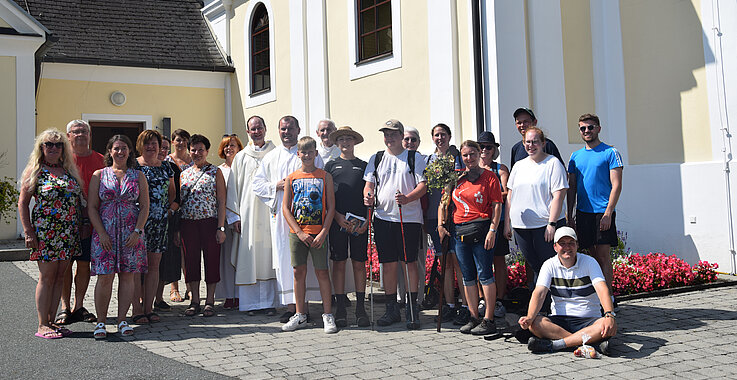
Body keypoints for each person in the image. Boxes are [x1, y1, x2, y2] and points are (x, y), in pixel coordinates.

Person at [253, 116, 325, 323]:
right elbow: (257, 185)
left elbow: (321, 178)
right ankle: (291, 306)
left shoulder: (308, 153)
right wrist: (275, 185)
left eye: (290, 129)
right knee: (286, 260)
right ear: (278, 130)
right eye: (283, 129)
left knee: (308, 263)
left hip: (309, 216)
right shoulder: (271, 157)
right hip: (283, 220)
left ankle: (307, 306)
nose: (287, 132)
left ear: (298, 130)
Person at [18, 129, 84, 339]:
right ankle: (42, 324)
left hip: (67, 233)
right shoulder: (35, 171)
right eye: (49, 144)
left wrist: (82, 224)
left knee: (59, 277)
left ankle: (52, 321)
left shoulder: (69, 171)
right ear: (41, 148)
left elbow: (77, 201)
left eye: (58, 145)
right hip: (45, 233)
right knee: (46, 277)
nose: (54, 148)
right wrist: (28, 232)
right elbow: (23, 203)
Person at [363, 119, 427, 330]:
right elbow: (369, 184)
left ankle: (411, 307)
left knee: (408, 263)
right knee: (388, 263)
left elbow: (423, 186)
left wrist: (408, 198)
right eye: (386, 134)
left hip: (407, 219)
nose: (389, 138)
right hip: (383, 218)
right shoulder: (377, 158)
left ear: (401, 136)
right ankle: (392, 309)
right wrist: (368, 197)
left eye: (392, 134)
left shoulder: (413, 157)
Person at [519, 227, 617, 354]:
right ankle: (589, 343)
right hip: (560, 320)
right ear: (555, 247)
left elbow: (602, 289)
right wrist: (529, 317)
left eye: (571, 243)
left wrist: (609, 314)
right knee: (535, 324)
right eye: (562, 243)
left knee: (604, 324)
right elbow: (539, 293)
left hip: (589, 319)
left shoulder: (590, 262)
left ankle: (556, 344)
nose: (567, 247)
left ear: (577, 245)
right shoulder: (549, 265)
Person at [88, 135, 150, 339]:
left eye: (124, 148)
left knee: (127, 276)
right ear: (109, 151)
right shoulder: (99, 174)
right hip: (104, 236)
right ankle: (101, 322)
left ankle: (122, 320)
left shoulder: (138, 176)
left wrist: (137, 231)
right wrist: (102, 233)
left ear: (130, 151)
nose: (120, 152)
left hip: (130, 236)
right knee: (105, 278)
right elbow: (92, 208)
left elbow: (145, 207)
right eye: (116, 148)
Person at [439, 140, 502, 335]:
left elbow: (497, 205)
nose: (469, 158)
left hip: (482, 229)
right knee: (467, 276)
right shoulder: (456, 178)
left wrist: (493, 230)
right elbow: (444, 201)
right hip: (459, 231)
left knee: (485, 274)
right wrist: (441, 224)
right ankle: (474, 317)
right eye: (465, 155)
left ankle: (488, 319)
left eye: (473, 154)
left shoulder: (490, 177)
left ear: (479, 154)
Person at [281, 136, 337, 333]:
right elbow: (286, 208)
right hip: (298, 234)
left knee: (322, 272)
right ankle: (300, 314)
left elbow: (331, 207)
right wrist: (298, 232)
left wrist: (323, 232)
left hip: (319, 233)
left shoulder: (324, 177)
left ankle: (328, 314)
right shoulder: (291, 178)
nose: (306, 155)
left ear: (316, 153)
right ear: (298, 154)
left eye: (310, 152)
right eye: (303, 152)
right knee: (298, 272)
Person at [567, 113, 624, 299]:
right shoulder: (575, 157)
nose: (586, 131)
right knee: (590, 258)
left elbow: (616, 185)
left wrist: (608, 213)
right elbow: (572, 187)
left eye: (590, 127)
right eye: (582, 128)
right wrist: (569, 214)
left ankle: (608, 297)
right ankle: (594, 295)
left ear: (598, 128)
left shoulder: (610, 152)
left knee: (603, 256)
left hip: (602, 213)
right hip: (583, 214)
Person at [227, 116, 279, 315]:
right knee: (250, 258)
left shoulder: (275, 154)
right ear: (247, 132)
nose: (256, 132)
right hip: (248, 217)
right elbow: (233, 188)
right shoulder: (241, 157)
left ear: (265, 129)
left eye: (259, 128)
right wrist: (235, 217)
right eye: (252, 129)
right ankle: (251, 305)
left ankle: (270, 303)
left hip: (270, 215)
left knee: (269, 257)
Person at [55, 120, 104, 326]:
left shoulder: (101, 159)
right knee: (65, 267)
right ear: (68, 136)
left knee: (84, 266)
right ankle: (65, 308)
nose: (81, 134)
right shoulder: (61, 160)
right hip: (66, 223)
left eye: (84, 131)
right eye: (76, 132)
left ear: (90, 135)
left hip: (92, 223)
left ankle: (79, 306)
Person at [505, 127, 568, 279]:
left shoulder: (553, 163)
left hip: (544, 226)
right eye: (527, 142)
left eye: (535, 142)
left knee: (549, 266)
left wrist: (552, 224)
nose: (531, 145)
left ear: (543, 143)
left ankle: (552, 301)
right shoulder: (519, 165)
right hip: (521, 227)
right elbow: (510, 195)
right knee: (534, 266)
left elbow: (558, 195)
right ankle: (540, 301)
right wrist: (507, 223)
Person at [425, 123, 469, 325]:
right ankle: (449, 305)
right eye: (436, 135)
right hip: (435, 216)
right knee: (445, 263)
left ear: (450, 136)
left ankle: (466, 305)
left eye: (443, 134)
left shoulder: (458, 158)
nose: (440, 138)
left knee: (458, 261)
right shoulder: (429, 160)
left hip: (455, 215)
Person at [325, 126, 370, 327]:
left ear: (354, 142)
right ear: (336, 143)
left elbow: (369, 196)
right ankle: (341, 306)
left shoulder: (364, 165)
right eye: (341, 139)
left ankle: (361, 307)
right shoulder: (331, 165)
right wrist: (336, 217)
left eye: (349, 139)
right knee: (339, 263)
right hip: (337, 223)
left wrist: (367, 220)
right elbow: (327, 197)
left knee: (359, 264)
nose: (345, 142)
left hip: (359, 224)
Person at [179, 134, 227, 317]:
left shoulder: (216, 172)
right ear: (189, 151)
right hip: (188, 223)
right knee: (191, 262)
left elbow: (222, 201)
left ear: (207, 151)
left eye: (201, 149)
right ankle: (195, 300)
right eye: (193, 149)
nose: (197, 153)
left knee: (211, 260)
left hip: (209, 222)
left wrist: (220, 228)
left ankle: (210, 301)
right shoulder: (184, 173)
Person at [131, 130, 175, 324]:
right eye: (146, 143)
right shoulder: (133, 166)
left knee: (153, 265)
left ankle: (149, 308)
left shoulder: (167, 167)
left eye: (154, 143)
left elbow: (173, 194)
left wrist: (164, 211)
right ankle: (136, 308)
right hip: (137, 223)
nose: (151, 147)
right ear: (140, 145)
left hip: (159, 223)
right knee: (135, 267)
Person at [477, 131, 510, 318]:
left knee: (498, 260)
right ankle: (483, 298)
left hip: (497, 221)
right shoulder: (471, 168)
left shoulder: (500, 169)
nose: (484, 150)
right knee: (480, 262)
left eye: (488, 147)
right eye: (481, 146)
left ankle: (499, 298)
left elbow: (506, 192)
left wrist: (491, 197)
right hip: (478, 222)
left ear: (494, 149)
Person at [397, 126, 427, 307]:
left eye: (413, 140)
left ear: (419, 143)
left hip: (417, 219)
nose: (409, 143)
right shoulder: (396, 160)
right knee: (399, 261)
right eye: (406, 139)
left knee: (416, 261)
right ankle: (401, 297)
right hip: (397, 218)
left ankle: (418, 298)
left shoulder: (421, 161)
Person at [215, 134, 244, 310]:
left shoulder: (244, 167)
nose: (229, 148)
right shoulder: (220, 170)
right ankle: (228, 295)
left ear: (239, 148)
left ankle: (242, 295)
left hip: (243, 219)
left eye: (233, 145)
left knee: (241, 258)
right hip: (225, 219)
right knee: (226, 259)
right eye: (226, 145)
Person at [154, 136, 181, 311]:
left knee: (163, 261)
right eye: (160, 147)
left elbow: (178, 196)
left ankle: (158, 298)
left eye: (165, 148)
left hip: (167, 221)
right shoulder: (140, 167)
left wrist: (170, 210)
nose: (163, 151)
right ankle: (143, 298)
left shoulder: (172, 168)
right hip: (145, 222)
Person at [166, 128, 193, 302]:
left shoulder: (194, 159)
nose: (181, 142)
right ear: (172, 142)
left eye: (184, 139)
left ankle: (190, 287)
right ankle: (174, 288)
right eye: (177, 139)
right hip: (173, 208)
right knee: (174, 250)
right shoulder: (167, 160)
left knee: (188, 250)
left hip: (190, 209)